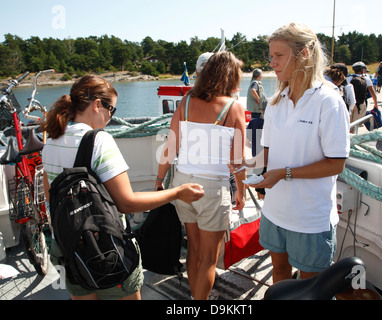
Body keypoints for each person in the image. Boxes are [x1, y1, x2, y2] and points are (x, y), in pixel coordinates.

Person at [41, 75, 204, 300]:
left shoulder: (51, 140)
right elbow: (126, 203)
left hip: (67, 246)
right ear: (97, 105)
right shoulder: (99, 140)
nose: (110, 117)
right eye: (111, 110)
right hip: (104, 248)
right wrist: (177, 193)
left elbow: (51, 197)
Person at [230, 22, 350, 283]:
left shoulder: (328, 102)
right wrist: (247, 163)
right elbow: (269, 154)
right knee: (280, 275)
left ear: (304, 53)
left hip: (310, 218)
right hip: (275, 211)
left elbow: (336, 164)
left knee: (310, 287)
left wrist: (284, 174)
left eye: (279, 55)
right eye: (270, 56)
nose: (272, 62)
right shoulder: (275, 103)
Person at [155, 51, 246, 300]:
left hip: (182, 183)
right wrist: (241, 191)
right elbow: (236, 160)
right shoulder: (233, 108)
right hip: (211, 190)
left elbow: (170, 147)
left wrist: (159, 180)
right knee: (208, 259)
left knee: (194, 252)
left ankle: (196, 298)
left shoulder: (185, 102)